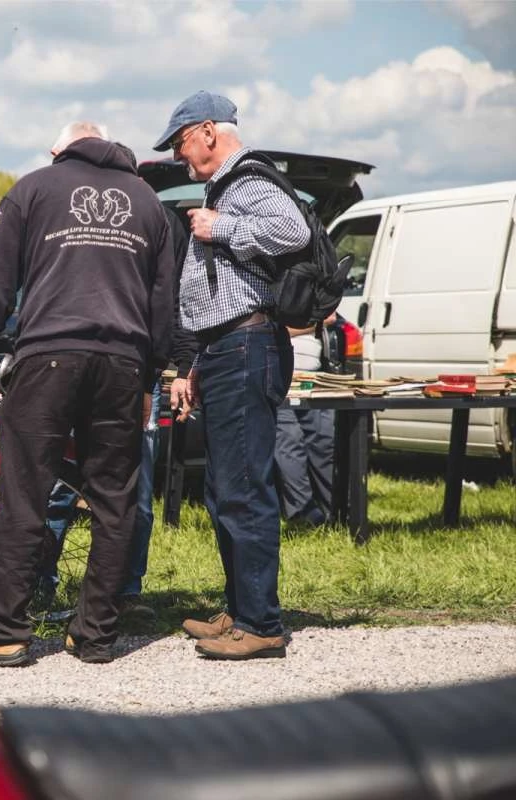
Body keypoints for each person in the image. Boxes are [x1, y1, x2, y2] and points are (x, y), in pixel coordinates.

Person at [0, 121, 175, 666]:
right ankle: (94, 634)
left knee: (24, 492)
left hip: (48, 354)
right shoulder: (149, 203)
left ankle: (4, 634)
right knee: (114, 501)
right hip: (123, 363)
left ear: (59, 149)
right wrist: (150, 377)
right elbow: (164, 301)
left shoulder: (33, 188)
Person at [154, 90, 308, 660]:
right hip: (226, 349)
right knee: (224, 491)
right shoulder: (229, 184)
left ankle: (262, 623)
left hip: (247, 346)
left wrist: (221, 228)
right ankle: (242, 608)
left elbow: (291, 232)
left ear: (209, 132)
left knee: (243, 489)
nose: (179, 154)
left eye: (180, 142)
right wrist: (195, 362)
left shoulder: (247, 179)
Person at [42, 140, 194, 622]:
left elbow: (172, 301)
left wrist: (173, 367)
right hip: (97, 367)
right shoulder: (70, 215)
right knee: (76, 487)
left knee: (127, 489)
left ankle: (122, 592)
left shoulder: (157, 219)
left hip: (127, 371)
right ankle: (46, 584)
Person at [275, 316, 336, 526]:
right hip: (279, 373)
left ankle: (334, 510)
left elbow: (331, 315)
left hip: (314, 375)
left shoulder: (315, 288)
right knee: (289, 442)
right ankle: (304, 515)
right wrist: (315, 324)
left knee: (324, 440)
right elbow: (274, 328)